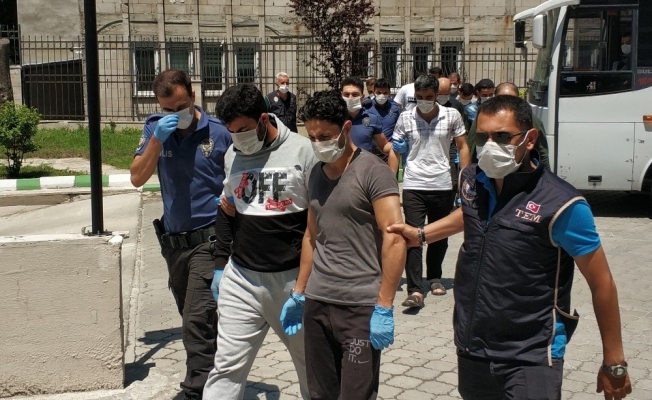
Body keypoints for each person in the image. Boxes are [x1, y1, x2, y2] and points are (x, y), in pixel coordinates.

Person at [387, 95, 633, 400]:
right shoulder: (472, 179)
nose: (490, 145)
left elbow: (602, 283)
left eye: (502, 137)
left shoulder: (562, 204)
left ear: (529, 139)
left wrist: (614, 361)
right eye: (482, 137)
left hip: (530, 354)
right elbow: (471, 213)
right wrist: (421, 234)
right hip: (473, 346)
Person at [278, 90, 407, 400]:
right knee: (320, 394)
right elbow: (311, 236)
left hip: (359, 306)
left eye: (325, 136)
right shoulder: (315, 174)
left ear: (346, 128)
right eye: (312, 137)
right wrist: (299, 292)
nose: (318, 143)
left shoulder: (374, 172)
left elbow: (395, 238)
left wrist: (384, 306)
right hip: (318, 302)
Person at [203, 84, 316, 400]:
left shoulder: (303, 152)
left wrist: (306, 286)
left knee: (313, 367)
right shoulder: (233, 155)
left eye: (243, 130)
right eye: (231, 131)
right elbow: (226, 208)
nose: (237, 138)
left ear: (264, 119)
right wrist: (220, 265)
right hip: (242, 280)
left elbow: (320, 220)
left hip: (292, 283)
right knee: (226, 369)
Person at [130, 69, 232, 400]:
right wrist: (157, 140)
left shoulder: (218, 132)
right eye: (168, 109)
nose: (176, 114)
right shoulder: (155, 129)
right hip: (174, 245)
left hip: (210, 241)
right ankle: (223, 380)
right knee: (196, 320)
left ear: (193, 95)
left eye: (182, 106)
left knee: (196, 321)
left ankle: (195, 392)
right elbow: (137, 178)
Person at [390, 75, 470, 307]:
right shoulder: (406, 117)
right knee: (412, 237)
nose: (424, 101)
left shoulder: (451, 115)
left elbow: (463, 146)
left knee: (438, 235)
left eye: (429, 97)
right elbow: (395, 151)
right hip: (414, 184)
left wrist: (465, 181)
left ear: (436, 96)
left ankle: (435, 277)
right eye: (420, 97)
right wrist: (390, 183)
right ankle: (415, 289)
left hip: (442, 184)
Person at [467, 82, 550, 170]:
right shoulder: (482, 120)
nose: (507, 103)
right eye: (502, 99)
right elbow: (472, 147)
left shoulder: (532, 120)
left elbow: (542, 152)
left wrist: (545, 173)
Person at [341, 76, 398, 174]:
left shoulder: (372, 119)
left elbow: (384, 145)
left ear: (362, 96)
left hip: (364, 172)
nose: (350, 98)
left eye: (355, 94)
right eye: (346, 94)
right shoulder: (334, 118)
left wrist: (397, 145)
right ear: (341, 95)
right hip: (340, 172)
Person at [367, 78, 401, 161]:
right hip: (370, 153)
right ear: (374, 92)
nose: (382, 95)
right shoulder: (366, 107)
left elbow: (399, 128)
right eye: (379, 92)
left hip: (389, 152)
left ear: (389, 92)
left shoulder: (395, 108)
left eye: (385, 93)